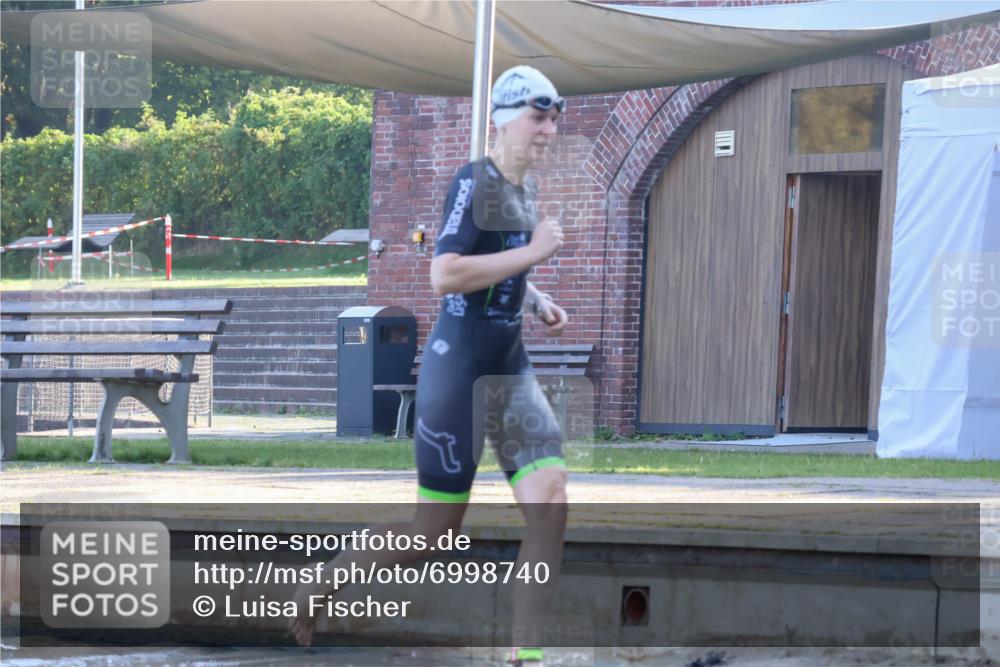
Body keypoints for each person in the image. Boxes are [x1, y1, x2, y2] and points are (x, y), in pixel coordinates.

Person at [289, 65, 570, 666]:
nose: (548, 129)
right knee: (432, 532)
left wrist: (535, 294)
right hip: (460, 369)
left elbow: (499, 265)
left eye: (554, 119)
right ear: (501, 119)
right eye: (537, 117)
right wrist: (534, 251)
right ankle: (323, 582)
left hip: (508, 367)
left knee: (550, 501)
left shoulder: (524, 192)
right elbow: (444, 273)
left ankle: (528, 654)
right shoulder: (476, 181)